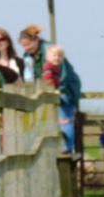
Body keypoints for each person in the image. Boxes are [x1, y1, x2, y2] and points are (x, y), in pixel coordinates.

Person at [19, 25, 82, 153]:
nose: (26, 48)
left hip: (65, 90)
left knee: (65, 120)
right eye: (24, 45)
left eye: (28, 44)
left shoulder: (50, 49)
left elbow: (62, 74)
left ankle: (67, 149)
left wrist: (57, 91)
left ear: (36, 40)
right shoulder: (28, 56)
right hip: (46, 92)